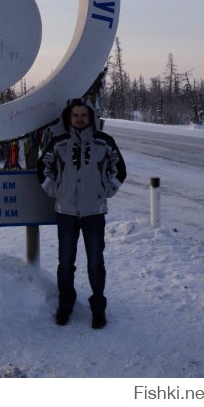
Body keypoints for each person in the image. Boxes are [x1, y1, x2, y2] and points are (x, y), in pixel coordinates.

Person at [38, 97, 126, 328]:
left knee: (96, 262)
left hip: (94, 212)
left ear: (91, 117)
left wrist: (106, 189)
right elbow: (43, 168)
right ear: (69, 117)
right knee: (65, 262)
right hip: (66, 211)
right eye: (75, 115)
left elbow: (120, 169)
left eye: (84, 115)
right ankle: (65, 305)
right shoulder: (59, 142)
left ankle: (98, 308)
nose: (79, 119)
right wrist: (55, 190)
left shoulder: (104, 142)